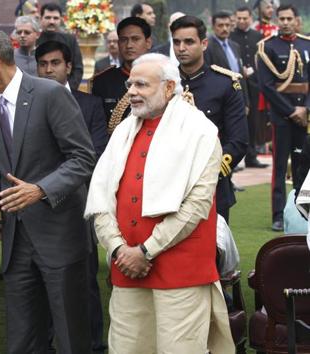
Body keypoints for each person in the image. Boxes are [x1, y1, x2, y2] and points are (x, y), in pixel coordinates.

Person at [0, 28, 96, 354]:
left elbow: (83, 157)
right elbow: (0, 174)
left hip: (60, 239)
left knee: (71, 339)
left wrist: (42, 190)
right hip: (18, 248)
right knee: (21, 342)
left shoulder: (51, 94)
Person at [85, 52, 235, 353]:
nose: (131, 92)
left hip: (181, 271)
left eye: (141, 85)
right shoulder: (124, 130)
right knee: (126, 348)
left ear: (169, 88)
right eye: (130, 84)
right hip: (127, 268)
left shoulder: (201, 132)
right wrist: (118, 249)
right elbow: (100, 198)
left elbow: (196, 207)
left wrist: (145, 251)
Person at [35, 38, 108, 354]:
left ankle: (93, 343)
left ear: (68, 66)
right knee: (41, 282)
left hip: (80, 203)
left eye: (55, 63)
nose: (49, 69)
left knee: (85, 280)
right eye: (43, 64)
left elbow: (96, 153)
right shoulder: (29, 105)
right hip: (39, 205)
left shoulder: (89, 105)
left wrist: (60, 181)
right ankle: (48, 341)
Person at [172, 15, 248, 223]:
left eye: (189, 42)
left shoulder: (225, 84)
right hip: (169, 186)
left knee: (213, 252)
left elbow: (238, 141)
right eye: (176, 42)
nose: (181, 48)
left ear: (204, 44)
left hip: (213, 185)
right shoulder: (164, 83)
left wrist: (209, 173)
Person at [257, 4, 310, 232]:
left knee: (303, 164)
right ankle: (278, 215)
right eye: (282, 18)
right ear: (277, 20)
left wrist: (306, 109)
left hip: (304, 115)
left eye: (290, 18)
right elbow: (267, 86)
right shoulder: (267, 47)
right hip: (282, 117)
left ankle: (303, 209)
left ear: (296, 20)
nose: (286, 22)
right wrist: (291, 112)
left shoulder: (306, 44)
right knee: (279, 166)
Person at [91, 17, 152, 134]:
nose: (129, 45)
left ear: (148, 42)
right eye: (124, 40)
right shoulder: (102, 81)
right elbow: (98, 129)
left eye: (135, 39)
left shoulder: (162, 79)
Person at [231, 6, 269, 168]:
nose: (241, 21)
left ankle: (251, 156)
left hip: (253, 84)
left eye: (244, 18)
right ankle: (235, 158)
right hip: (235, 83)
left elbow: (263, 58)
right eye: (238, 18)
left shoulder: (258, 36)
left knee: (253, 121)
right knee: (236, 120)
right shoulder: (230, 36)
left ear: (250, 19)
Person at [36, 2, 84, 89]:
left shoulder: (70, 40)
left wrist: (68, 89)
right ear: (41, 19)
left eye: (55, 18)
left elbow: (77, 68)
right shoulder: (35, 40)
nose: (51, 21)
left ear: (61, 20)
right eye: (48, 18)